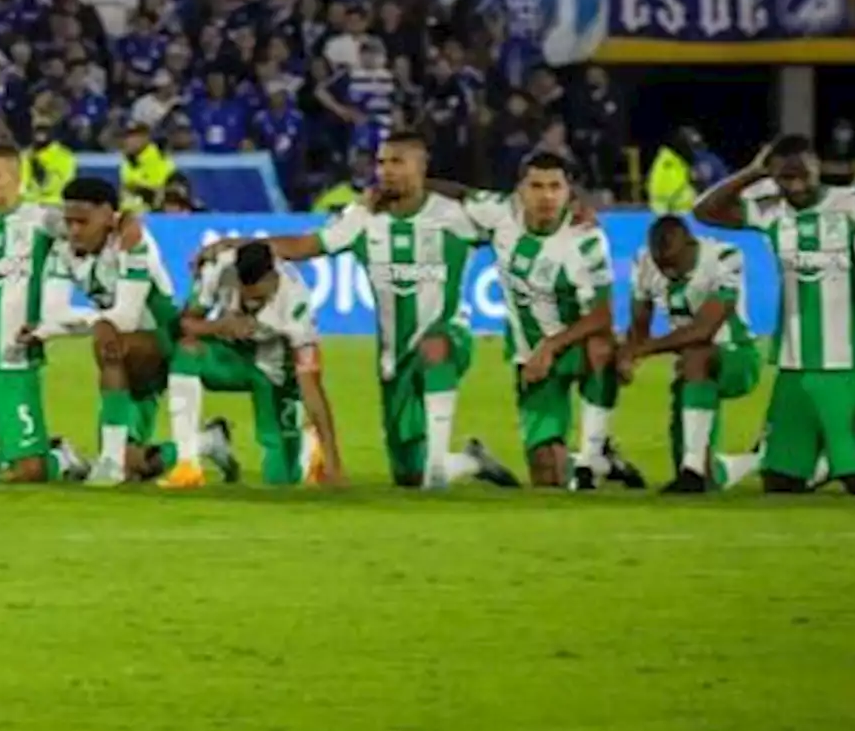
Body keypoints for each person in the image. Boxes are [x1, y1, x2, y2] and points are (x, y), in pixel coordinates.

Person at [198, 131, 517, 490]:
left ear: (421, 166)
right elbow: (303, 245)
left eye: (398, 162)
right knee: (406, 474)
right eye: (382, 162)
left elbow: (520, 212)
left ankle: (438, 474)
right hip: (393, 357)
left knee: (436, 347)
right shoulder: (363, 218)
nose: (386, 170)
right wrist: (237, 244)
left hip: (447, 335)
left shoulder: (457, 213)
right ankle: (469, 460)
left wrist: (574, 211)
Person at [693, 135, 855, 494]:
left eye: (803, 175)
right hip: (792, 364)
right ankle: (816, 459)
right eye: (785, 178)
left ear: (818, 167)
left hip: (846, 364)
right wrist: (752, 172)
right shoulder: (770, 211)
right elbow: (703, 211)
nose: (796, 186)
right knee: (781, 483)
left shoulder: (854, 205)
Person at [447, 151, 633, 489]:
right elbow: (456, 193)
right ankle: (604, 464)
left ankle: (591, 459)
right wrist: (401, 186)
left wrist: (552, 345)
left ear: (568, 191)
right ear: (519, 189)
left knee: (602, 346)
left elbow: (602, 315)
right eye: (536, 186)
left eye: (554, 187)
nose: (546, 196)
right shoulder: (500, 213)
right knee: (548, 477)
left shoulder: (585, 239)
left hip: (574, 347)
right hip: (529, 356)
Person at [24, 176, 227, 485]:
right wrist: (62, 326)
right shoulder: (64, 246)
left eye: (83, 221)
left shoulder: (133, 244)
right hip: (124, 352)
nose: (75, 230)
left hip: (160, 343)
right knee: (136, 466)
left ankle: (102, 462)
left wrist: (66, 328)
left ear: (108, 215)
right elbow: (54, 312)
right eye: (70, 221)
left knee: (109, 339)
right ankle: (207, 442)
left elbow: (128, 317)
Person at [163, 241, 344, 488]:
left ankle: (309, 449)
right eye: (244, 295)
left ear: (273, 278)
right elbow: (184, 324)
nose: (249, 304)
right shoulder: (219, 268)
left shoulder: (296, 306)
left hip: (274, 373)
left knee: (281, 479)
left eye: (258, 298)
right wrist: (219, 326)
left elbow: (312, 385)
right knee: (185, 353)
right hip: (230, 356)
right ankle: (186, 465)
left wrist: (334, 462)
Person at [620, 215, 762, 493]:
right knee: (709, 480)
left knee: (697, 354)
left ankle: (692, 471)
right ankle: (749, 460)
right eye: (662, 265)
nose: (668, 271)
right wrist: (626, 357)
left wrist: (643, 349)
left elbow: (703, 330)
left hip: (737, 357)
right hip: (692, 372)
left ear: (690, 243)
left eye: (673, 262)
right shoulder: (644, 263)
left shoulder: (724, 257)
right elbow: (639, 327)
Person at [0, 145, 60, 482]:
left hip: (13, 361)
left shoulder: (43, 222)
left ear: (16, 179)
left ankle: (62, 457)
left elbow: (95, 225)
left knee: (30, 472)